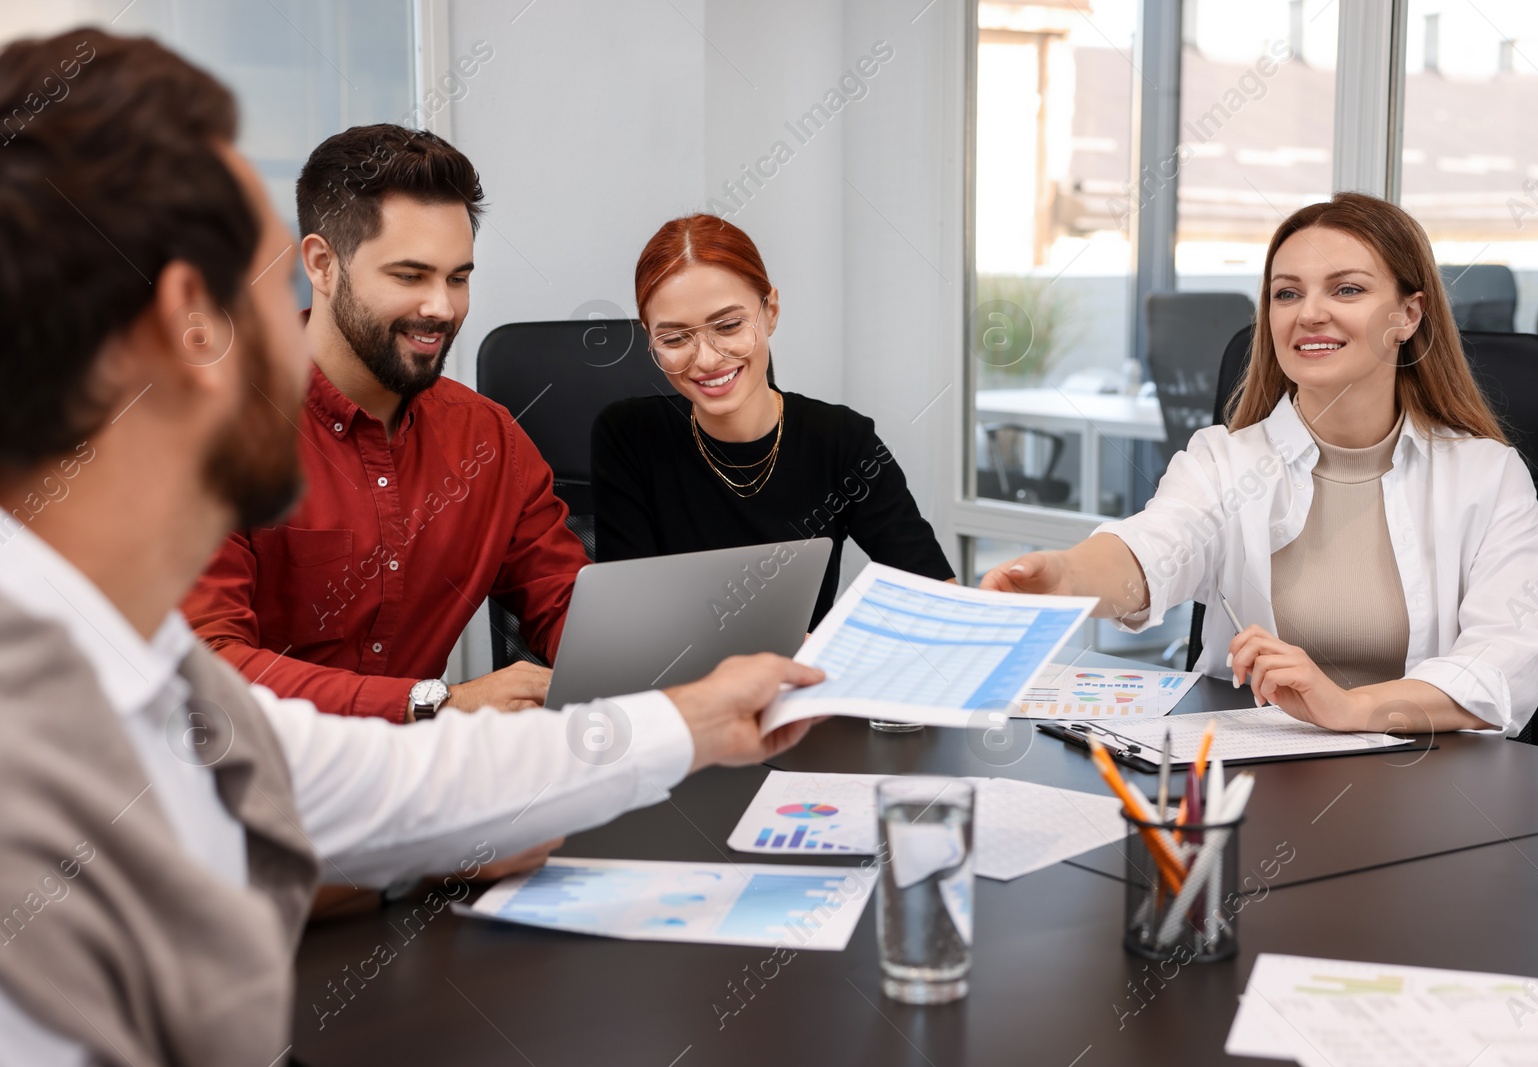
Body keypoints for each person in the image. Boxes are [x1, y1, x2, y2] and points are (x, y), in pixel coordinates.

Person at [0, 30, 821, 1065]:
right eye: (269, 295)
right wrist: (435, 749)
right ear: (189, 323)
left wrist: (688, 712)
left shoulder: (111, 651)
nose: (440, 304)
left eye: (457, 275)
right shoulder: (61, 736)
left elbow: (351, 781)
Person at [983, 192, 1538, 737]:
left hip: (1428, 785)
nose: (1309, 313)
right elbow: (1153, 547)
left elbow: (1504, 664)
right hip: (1254, 781)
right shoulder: (1226, 462)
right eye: (1286, 293)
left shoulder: (1487, 475)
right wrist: (1065, 579)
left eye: (1346, 290)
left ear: (1409, 314)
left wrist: (1349, 707)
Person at [180, 122, 589, 722]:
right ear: (322, 265)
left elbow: (569, 609)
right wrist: (432, 703)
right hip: (252, 788)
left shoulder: (489, 440)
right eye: (410, 276)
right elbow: (208, 667)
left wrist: (684, 668)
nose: (442, 308)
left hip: (419, 789)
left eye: (458, 277)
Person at [592, 214, 955, 629]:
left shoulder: (842, 441)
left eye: (728, 326)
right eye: (674, 339)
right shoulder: (629, 437)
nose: (707, 360)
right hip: (681, 690)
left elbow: (937, 597)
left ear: (771, 312)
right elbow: (627, 628)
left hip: (800, 687)